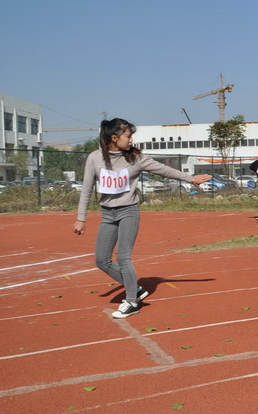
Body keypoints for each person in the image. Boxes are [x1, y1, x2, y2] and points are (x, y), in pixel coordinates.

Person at [73, 118, 211, 318]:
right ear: (114, 137)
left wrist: (191, 178)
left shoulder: (135, 158)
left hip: (128, 211)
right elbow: (86, 189)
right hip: (107, 213)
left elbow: (165, 170)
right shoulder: (95, 158)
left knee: (123, 257)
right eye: (128, 136)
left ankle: (132, 301)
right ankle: (135, 288)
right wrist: (81, 217)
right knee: (102, 260)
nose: (131, 140)